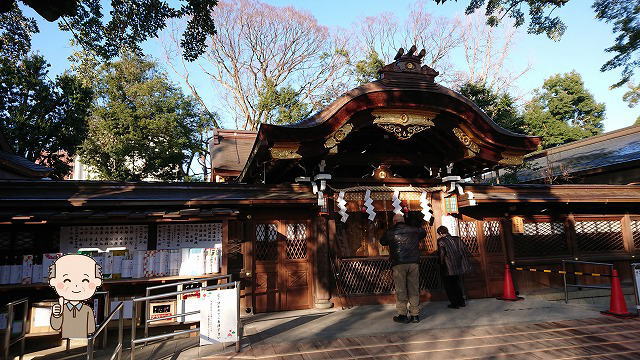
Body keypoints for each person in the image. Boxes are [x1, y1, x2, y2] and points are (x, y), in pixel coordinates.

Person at [380, 213, 426, 323]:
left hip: (399, 263)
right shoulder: (414, 230)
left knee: (401, 289)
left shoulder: (391, 232)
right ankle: (415, 315)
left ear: (394, 221)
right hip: (413, 262)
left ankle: (403, 314)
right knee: (414, 288)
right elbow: (423, 233)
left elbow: (382, 241)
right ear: (403, 220)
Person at [48, 254, 103, 339]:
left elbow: (56, 326)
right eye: (67, 280)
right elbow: (91, 329)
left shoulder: (87, 309)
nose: (76, 286)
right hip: (77, 337)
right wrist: (56, 314)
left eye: (85, 280)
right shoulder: (64, 308)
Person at [436, 225, 472, 309]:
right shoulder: (457, 239)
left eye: (439, 234)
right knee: (457, 284)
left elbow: (442, 254)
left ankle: (454, 303)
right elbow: (465, 249)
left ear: (440, 233)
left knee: (449, 286)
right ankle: (461, 302)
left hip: (448, 267)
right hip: (458, 266)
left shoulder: (441, 241)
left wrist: (440, 263)